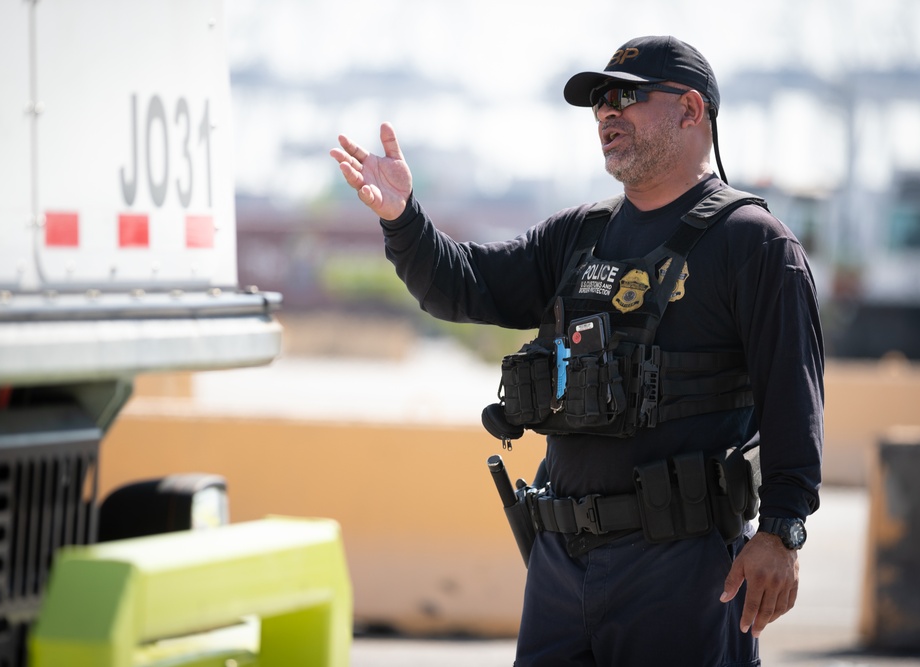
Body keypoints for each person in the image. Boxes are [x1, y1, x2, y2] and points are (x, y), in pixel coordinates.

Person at [331, 35, 823, 667]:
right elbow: (465, 285)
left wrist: (783, 531)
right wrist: (403, 218)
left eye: (624, 96)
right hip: (561, 568)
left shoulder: (753, 245)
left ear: (691, 110)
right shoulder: (578, 236)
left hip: (682, 567)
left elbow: (795, 398)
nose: (605, 114)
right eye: (598, 103)